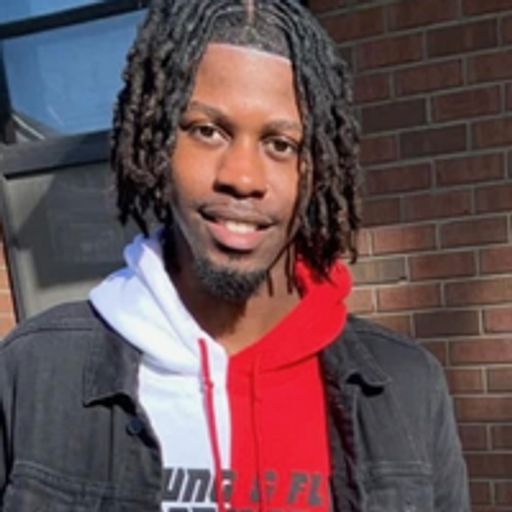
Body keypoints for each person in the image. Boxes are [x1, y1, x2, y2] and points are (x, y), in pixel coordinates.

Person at [0, 0, 469, 511]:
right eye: (208, 131)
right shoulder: (32, 372)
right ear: (159, 141)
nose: (242, 177)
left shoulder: (407, 386)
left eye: (281, 144)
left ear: (316, 168)